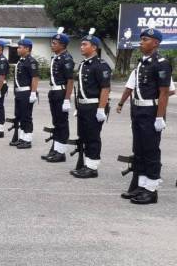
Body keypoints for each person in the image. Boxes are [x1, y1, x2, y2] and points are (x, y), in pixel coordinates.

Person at [116, 28, 172, 204]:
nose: (141, 42)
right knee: (139, 151)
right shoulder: (141, 63)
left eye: (145, 39)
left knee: (151, 152)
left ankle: (151, 190)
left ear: (155, 43)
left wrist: (159, 117)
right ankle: (141, 186)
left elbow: (164, 93)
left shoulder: (162, 63)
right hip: (138, 111)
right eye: (141, 39)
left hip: (151, 113)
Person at [70, 29, 111, 179]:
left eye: (84, 44)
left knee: (93, 137)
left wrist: (101, 108)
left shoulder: (100, 65)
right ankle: (86, 164)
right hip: (83, 106)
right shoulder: (83, 64)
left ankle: (92, 167)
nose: (81, 47)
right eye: (81, 44)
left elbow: (105, 88)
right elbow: (81, 88)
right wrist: (78, 106)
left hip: (94, 106)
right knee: (84, 136)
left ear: (94, 47)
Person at [42, 28, 75, 162]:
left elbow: (70, 80)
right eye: (52, 42)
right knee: (56, 122)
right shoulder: (57, 57)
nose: (52, 45)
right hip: (54, 91)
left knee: (62, 123)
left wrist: (67, 99)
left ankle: (61, 153)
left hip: (61, 92)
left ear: (62, 45)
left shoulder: (66, 58)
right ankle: (55, 149)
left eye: (55, 43)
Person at [10, 37, 39, 149]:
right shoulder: (21, 61)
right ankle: (22, 137)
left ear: (27, 49)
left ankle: (27, 140)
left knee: (26, 116)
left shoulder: (31, 61)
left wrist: (33, 93)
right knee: (20, 115)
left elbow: (34, 78)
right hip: (19, 93)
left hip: (26, 92)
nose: (17, 49)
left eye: (20, 47)